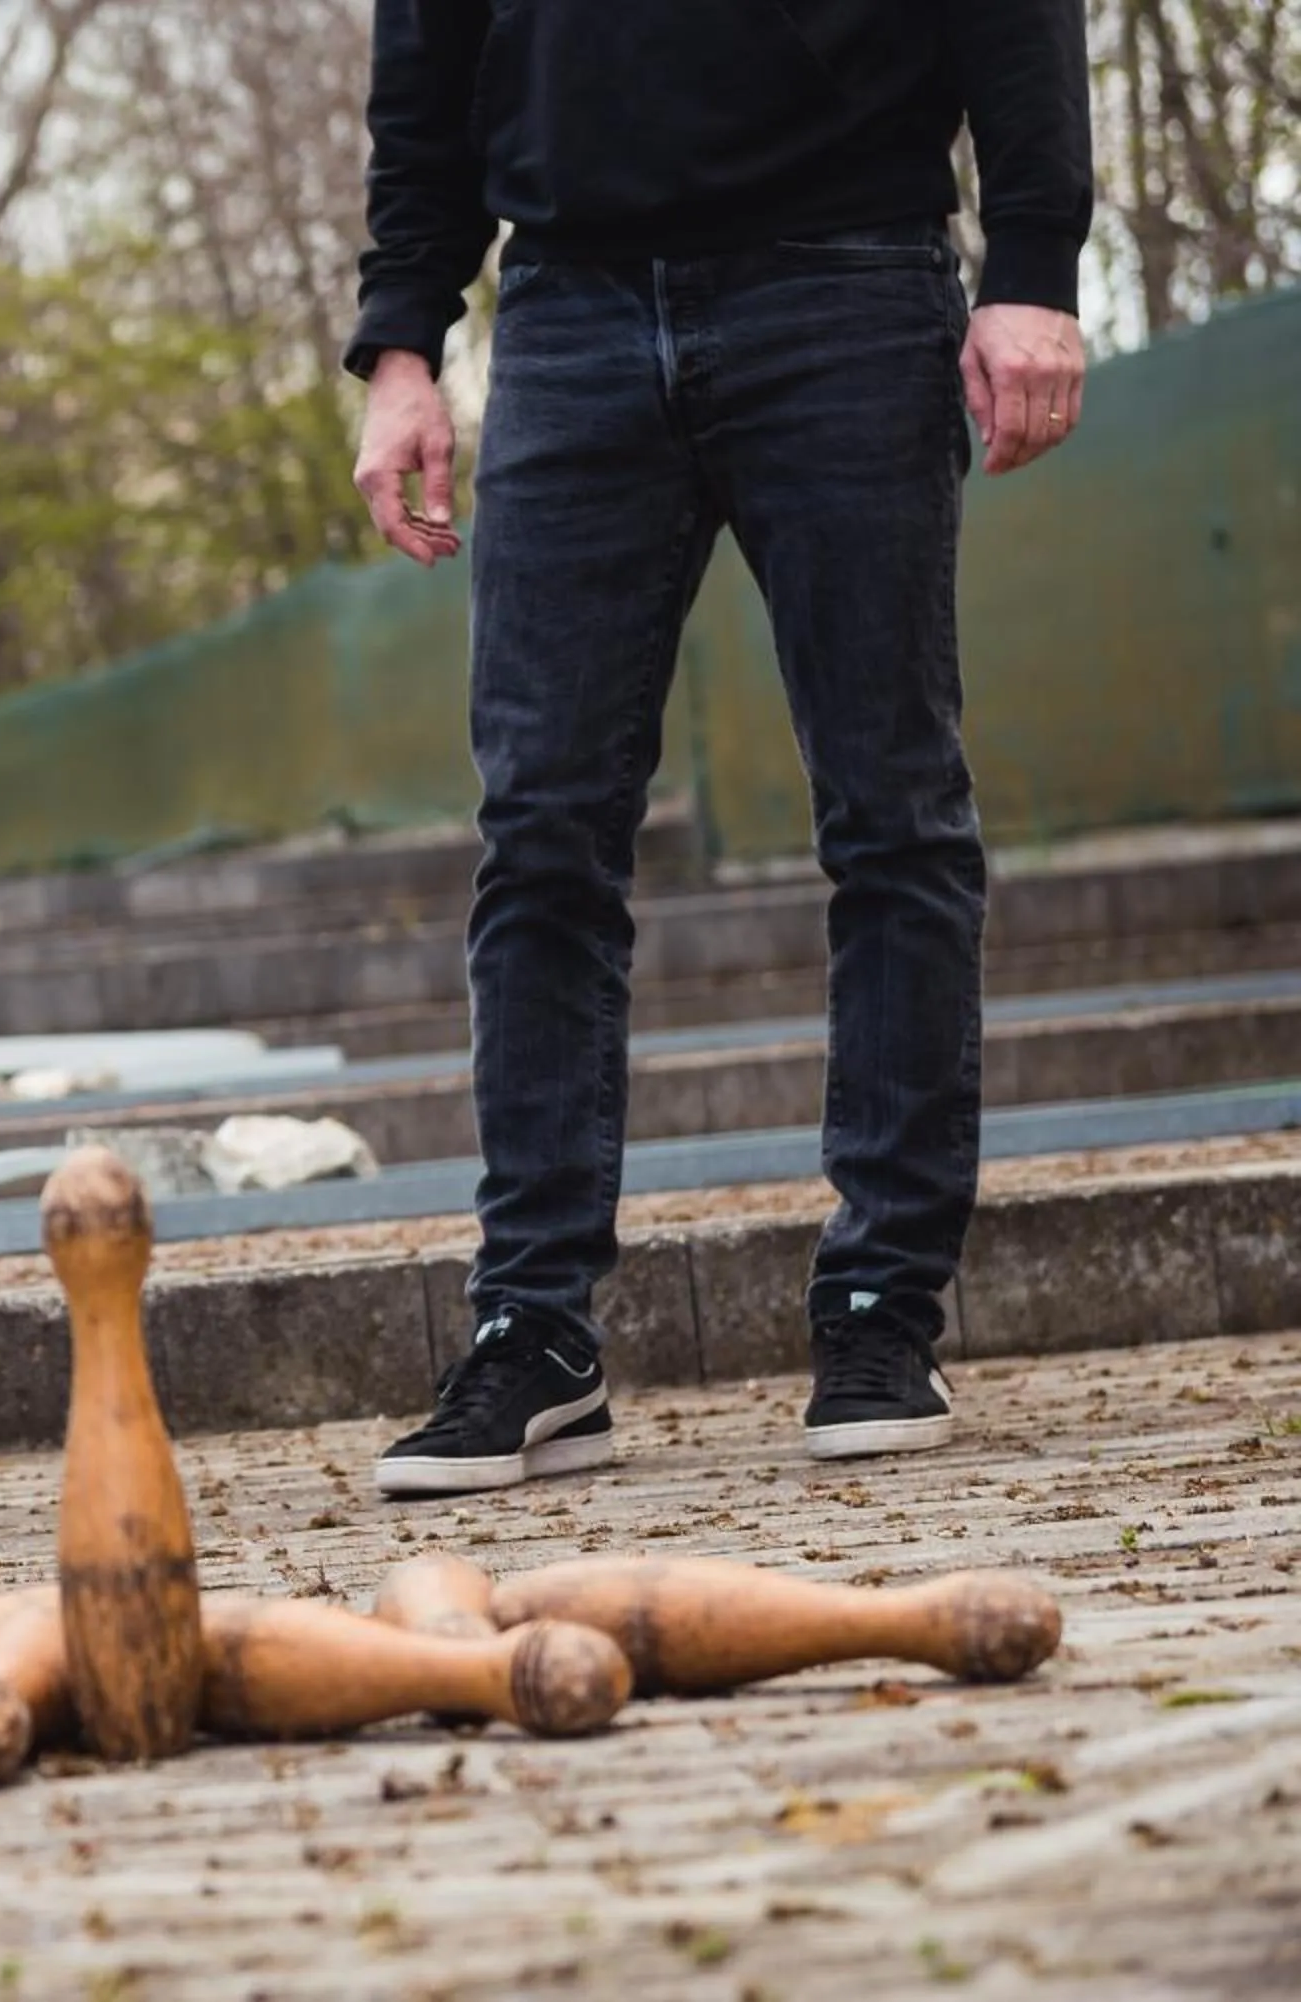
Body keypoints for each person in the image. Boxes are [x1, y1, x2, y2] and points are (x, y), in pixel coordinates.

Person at [346, 4, 1092, 1495]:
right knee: (541, 834)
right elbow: (426, 58)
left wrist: (1033, 263)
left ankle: (882, 1306)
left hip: (847, 274)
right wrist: (402, 342)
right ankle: (533, 1328)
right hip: (566, 303)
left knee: (893, 809)